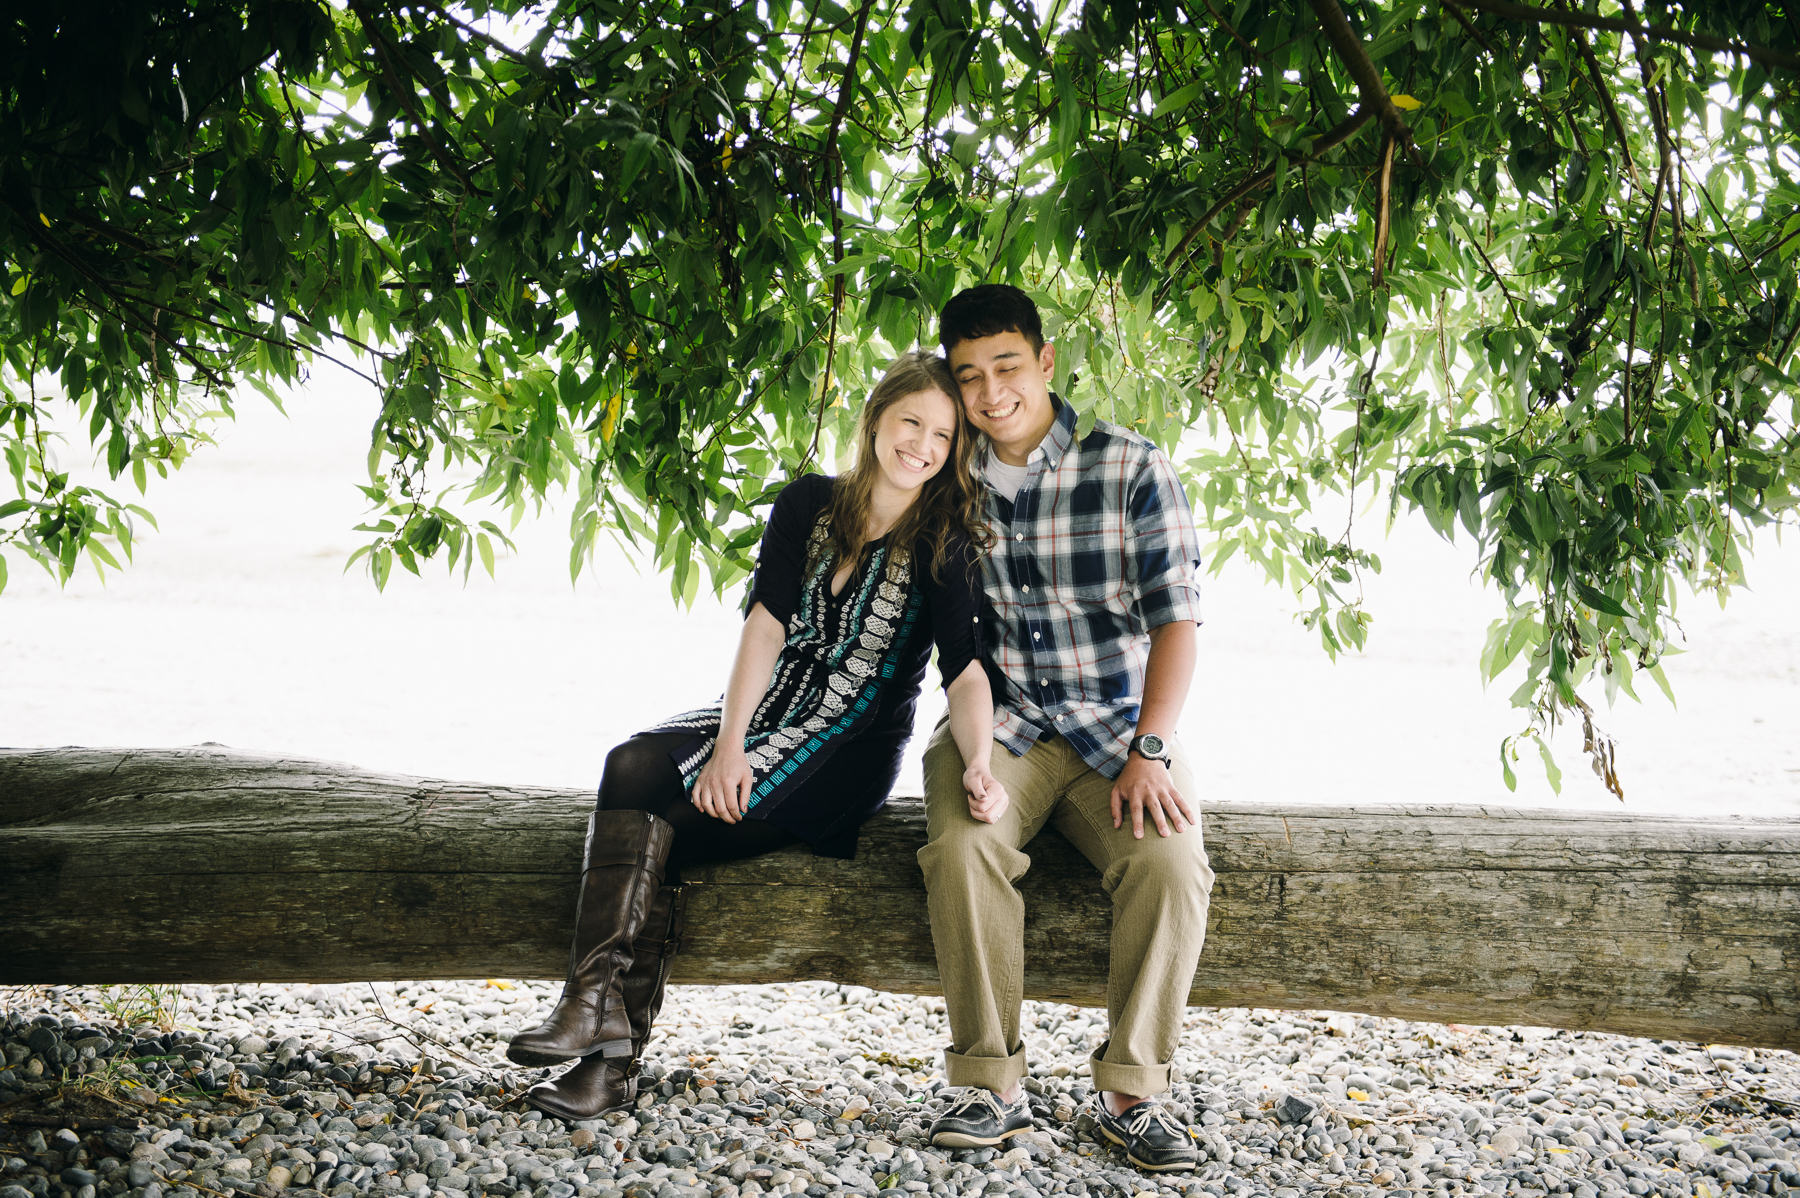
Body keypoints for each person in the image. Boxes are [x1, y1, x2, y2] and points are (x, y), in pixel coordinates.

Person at [507, 350, 1005, 1121]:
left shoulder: (947, 543)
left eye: (943, 436)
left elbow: (967, 673)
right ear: (876, 418)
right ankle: (593, 1012)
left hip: (847, 745)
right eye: (912, 421)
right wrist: (731, 743)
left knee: (670, 826)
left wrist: (979, 761)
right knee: (631, 764)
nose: (924, 445)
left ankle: (603, 1045)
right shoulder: (808, 503)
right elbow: (765, 624)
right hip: (766, 705)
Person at [918, 284, 1214, 1173]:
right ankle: (988, 1086)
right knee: (967, 848)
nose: (990, 392)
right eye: (969, 376)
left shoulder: (1129, 466)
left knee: (1170, 864)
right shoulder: (947, 479)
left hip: (1116, 731)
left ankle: (1132, 1092)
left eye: (1007, 367)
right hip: (997, 730)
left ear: (1044, 362)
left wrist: (1152, 750)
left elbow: (1177, 623)